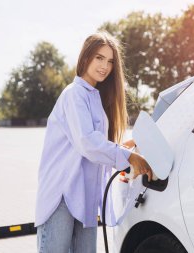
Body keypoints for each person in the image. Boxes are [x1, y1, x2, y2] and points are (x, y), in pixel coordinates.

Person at [35, 31, 152, 253]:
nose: (105, 66)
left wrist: (124, 148)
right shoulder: (74, 94)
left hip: (86, 196)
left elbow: (96, 144)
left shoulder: (94, 97)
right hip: (62, 195)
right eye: (99, 57)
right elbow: (88, 142)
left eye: (109, 61)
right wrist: (128, 157)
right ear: (85, 57)